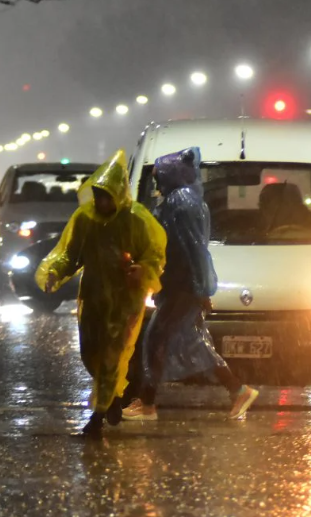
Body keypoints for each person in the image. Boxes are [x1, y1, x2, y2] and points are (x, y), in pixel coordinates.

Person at [37, 150, 166, 438]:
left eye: (106, 195)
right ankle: (114, 396)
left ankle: (97, 417)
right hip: (94, 297)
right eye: (98, 195)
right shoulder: (86, 221)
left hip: (125, 300)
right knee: (91, 353)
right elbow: (71, 254)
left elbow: (155, 256)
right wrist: (55, 273)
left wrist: (142, 270)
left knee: (112, 355)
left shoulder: (136, 221)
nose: (102, 201)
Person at [123, 147, 259, 422]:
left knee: (158, 341)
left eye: (160, 176)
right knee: (188, 341)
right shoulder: (184, 199)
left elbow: (194, 250)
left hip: (181, 285)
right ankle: (235, 389)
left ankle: (149, 403)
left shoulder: (181, 202)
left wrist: (200, 288)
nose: (158, 183)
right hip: (179, 284)